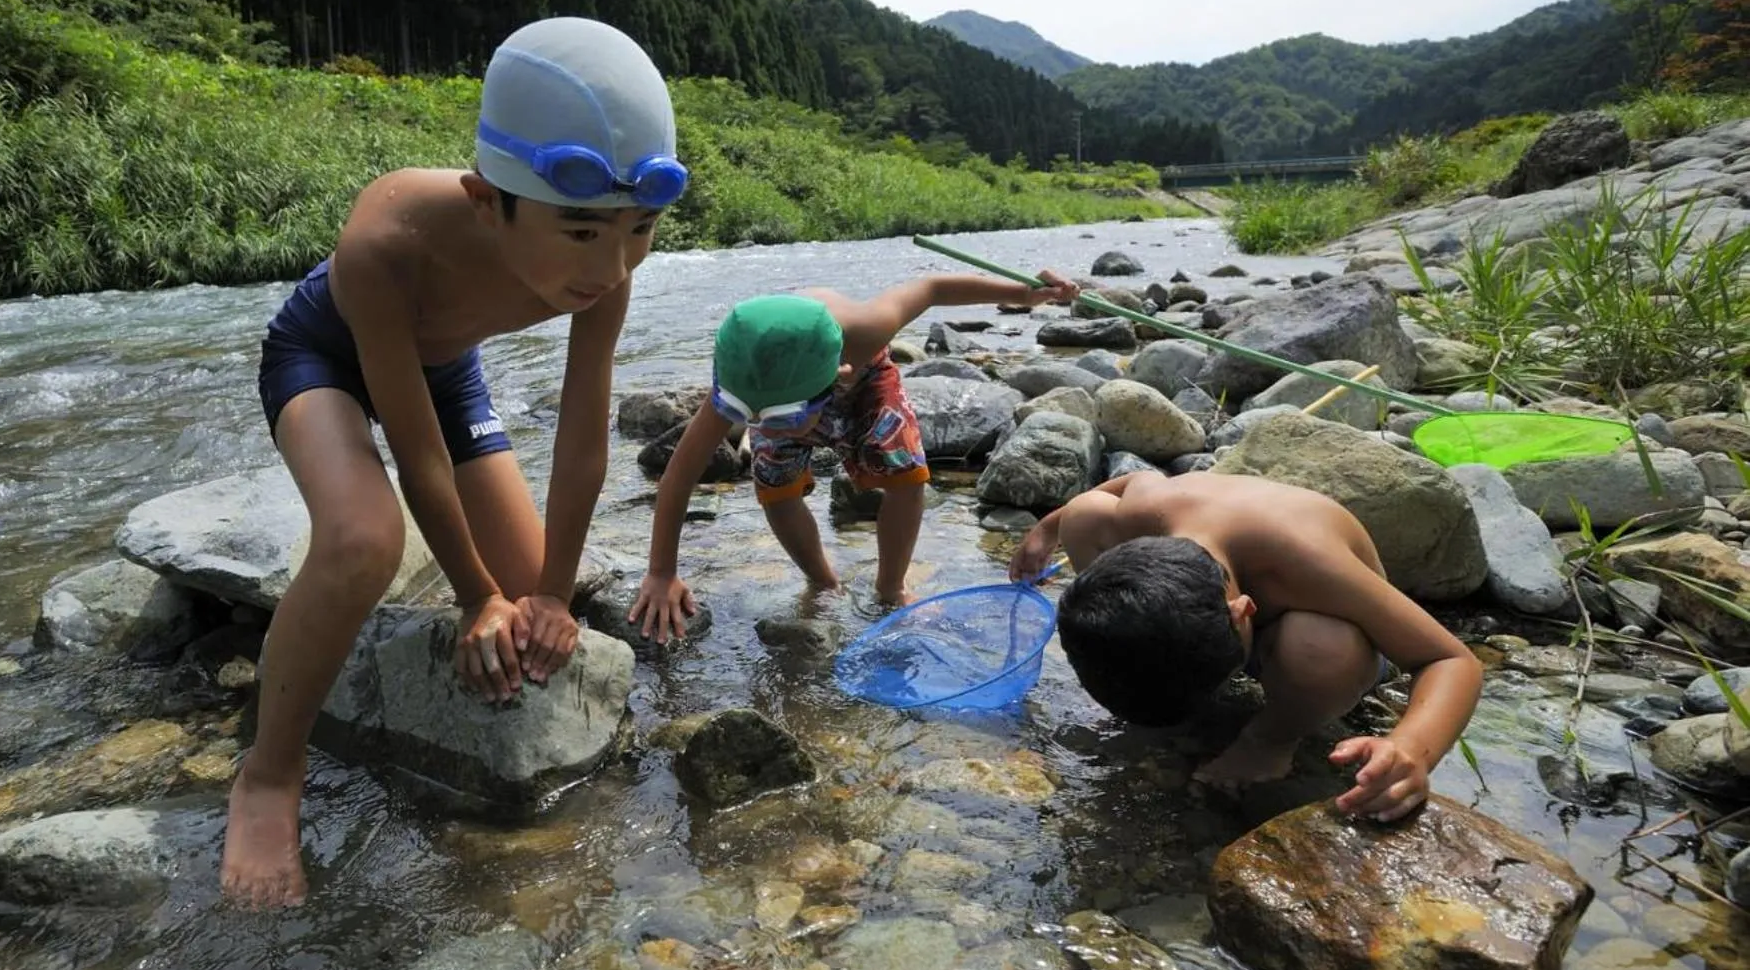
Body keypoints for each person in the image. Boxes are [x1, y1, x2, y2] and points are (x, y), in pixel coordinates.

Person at [226, 17, 685, 905]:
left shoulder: (610, 263)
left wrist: (549, 593)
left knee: (532, 589)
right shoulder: (388, 238)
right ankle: (269, 774)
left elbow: (582, 433)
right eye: (582, 232)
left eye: (642, 228)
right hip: (324, 355)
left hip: (446, 368)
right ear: (485, 200)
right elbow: (416, 451)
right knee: (364, 538)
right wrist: (474, 597)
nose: (612, 263)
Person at [1009, 470, 1482, 821]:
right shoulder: (1148, 507)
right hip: (1211, 620)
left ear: (1243, 612)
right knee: (1084, 514)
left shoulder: (1308, 562)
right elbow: (1131, 480)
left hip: (1321, 645)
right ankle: (1163, 676)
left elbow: (1451, 659)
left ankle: (1274, 735)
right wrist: (1048, 528)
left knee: (1322, 646)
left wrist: (1411, 749)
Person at [629, 273, 1074, 639]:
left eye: (781, 419)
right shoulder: (741, 383)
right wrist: (662, 572)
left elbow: (932, 288)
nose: (766, 428)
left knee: (905, 475)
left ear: (837, 375)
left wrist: (1024, 293)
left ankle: (891, 587)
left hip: (864, 383)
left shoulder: (867, 330)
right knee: (775, 486)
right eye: (750, 418)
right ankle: (823, 581)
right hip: (780, 376)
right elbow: (678, 476)